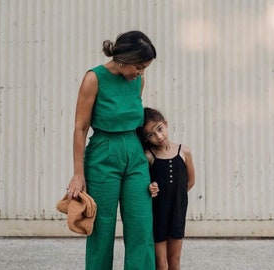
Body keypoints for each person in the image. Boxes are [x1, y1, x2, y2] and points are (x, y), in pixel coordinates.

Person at [66, 31, 157, 270]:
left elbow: (136, 119)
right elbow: (80, 128)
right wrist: (78, 174)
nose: (141, 73)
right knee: (101, 228)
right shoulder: (94, 78)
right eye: (139, 67)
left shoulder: (137, 80)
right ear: (124, 59)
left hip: (135, 155)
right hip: (103, 154)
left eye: (145, 68)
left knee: (141, 225)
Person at [139, 107, 195, 270]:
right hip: (158, 214)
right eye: (151, 135)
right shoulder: (148, 156)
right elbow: (144, 184)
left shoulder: (184, 151)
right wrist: (151, 187)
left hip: (177, 211)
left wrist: (176, 197)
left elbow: (190, 181)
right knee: (161, 262)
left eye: (160, 129)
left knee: (175, 260)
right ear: (146, 138)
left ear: (165, 124)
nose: (159, 136)